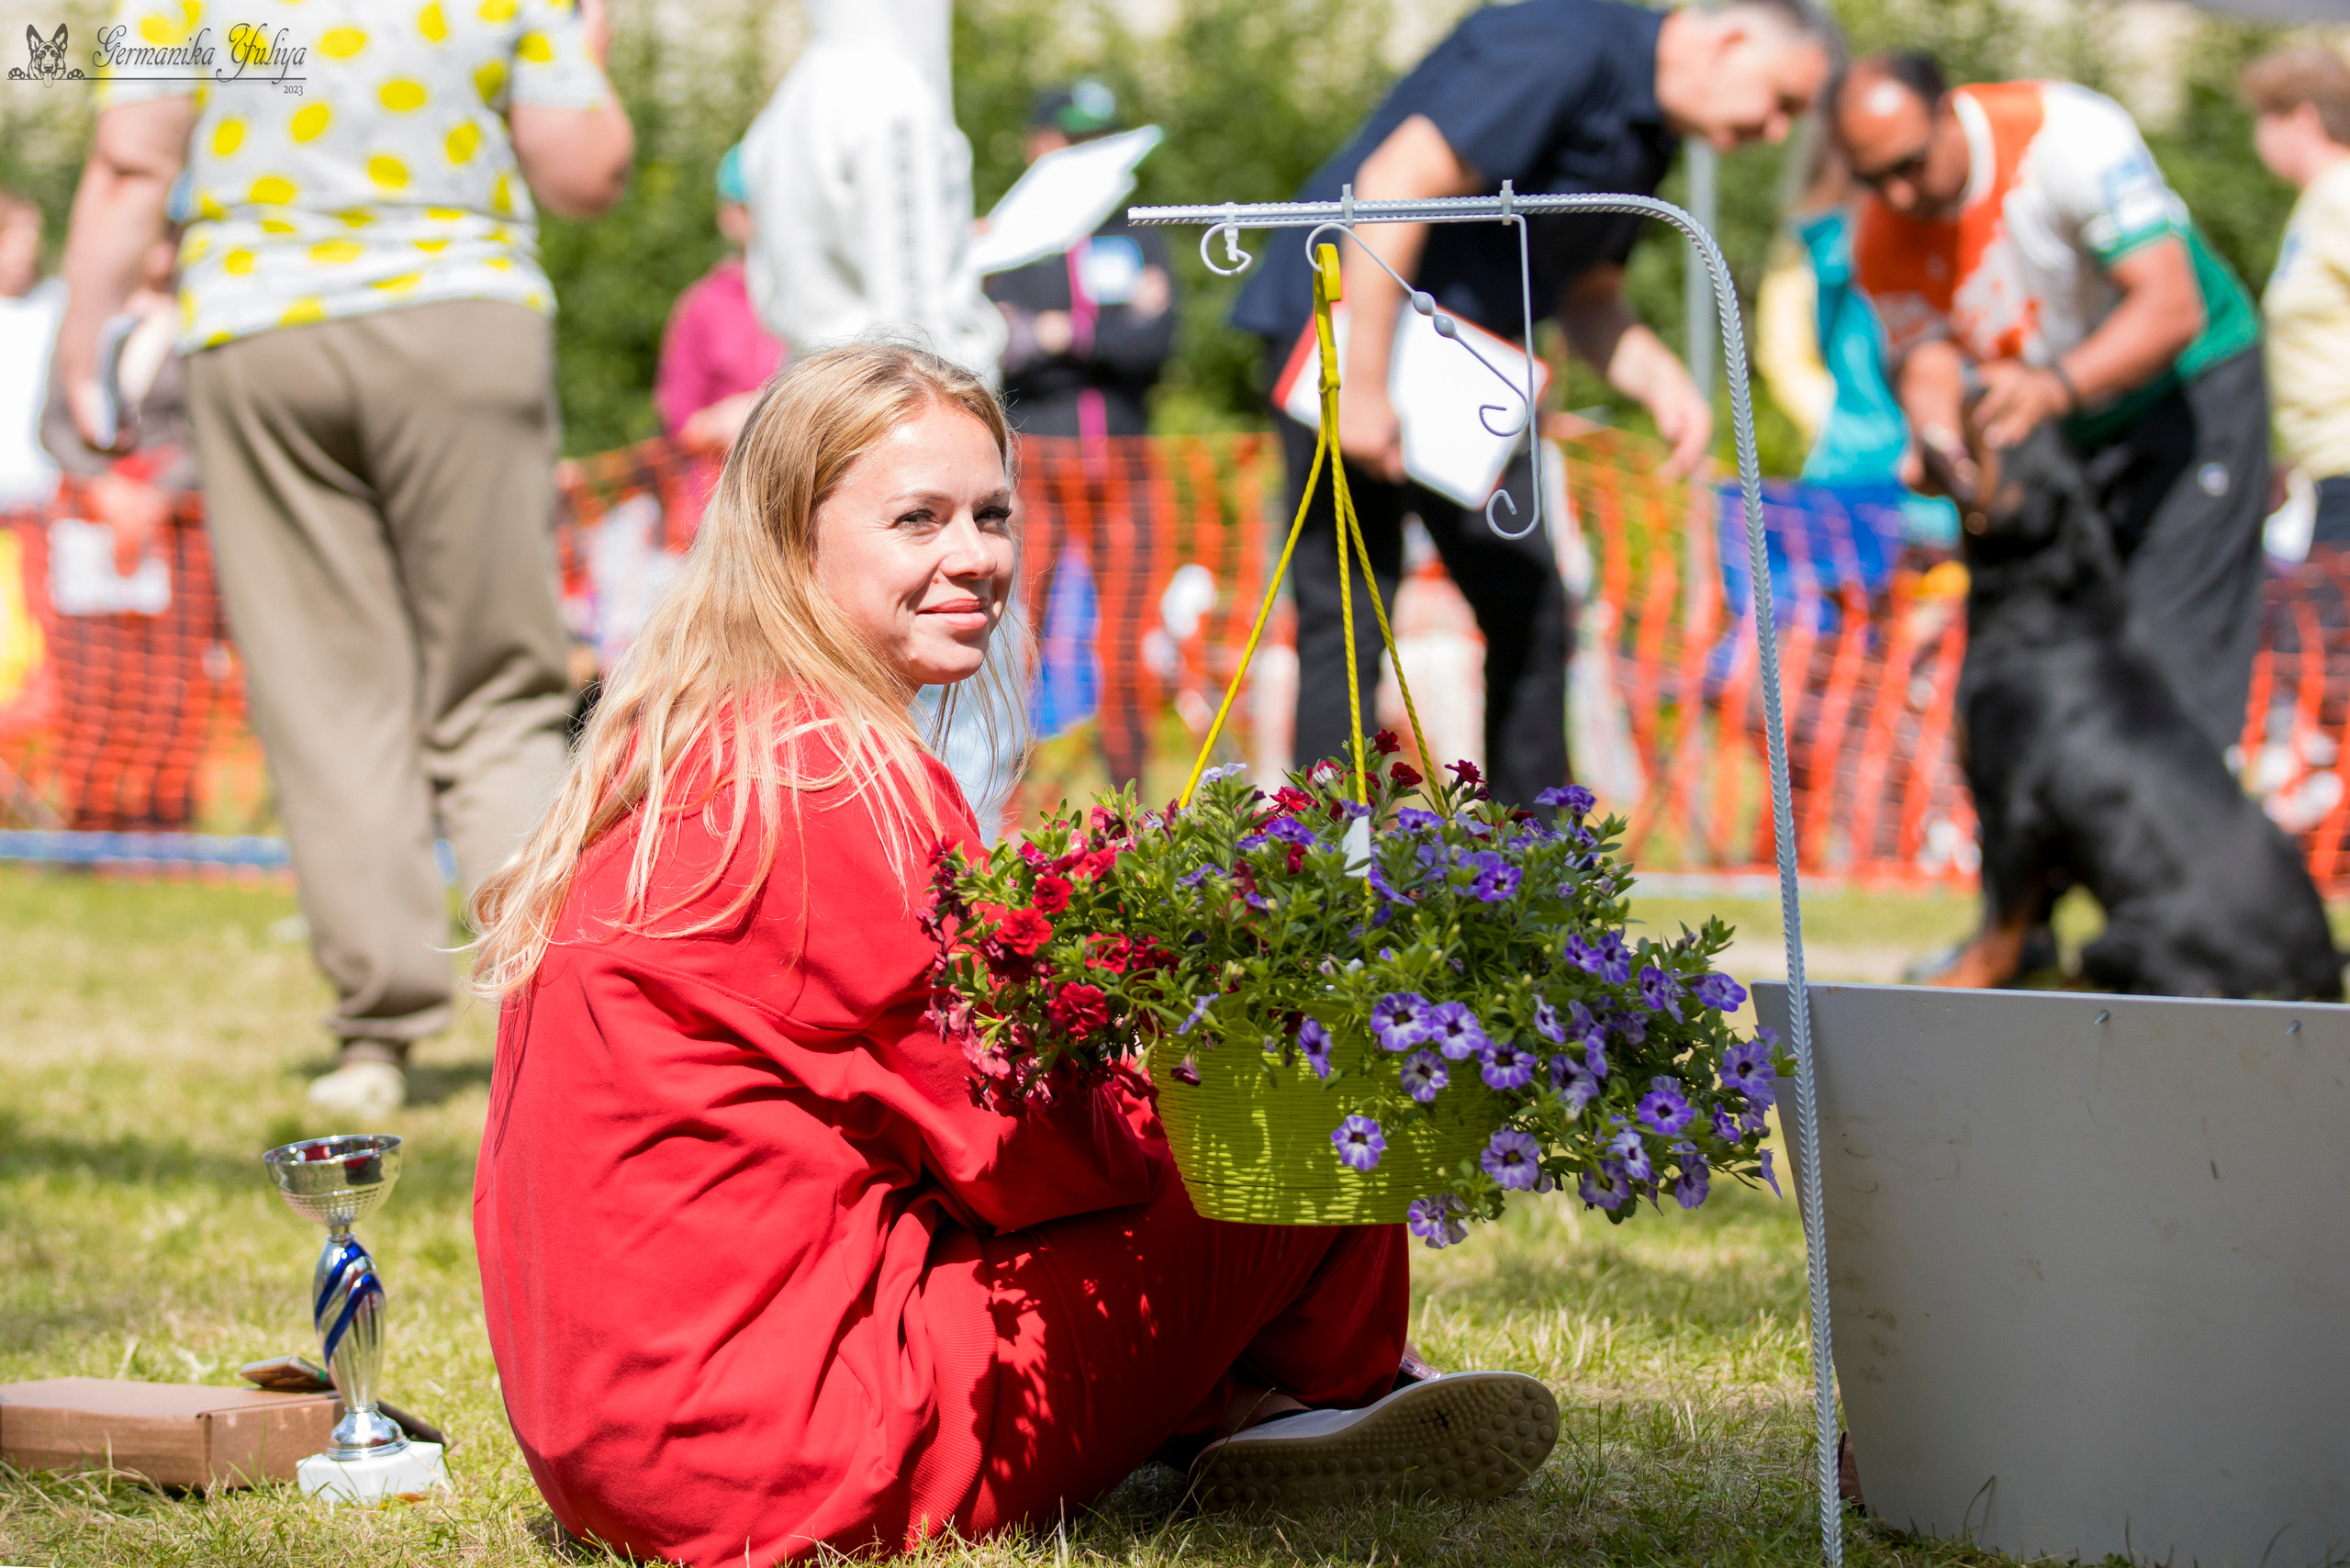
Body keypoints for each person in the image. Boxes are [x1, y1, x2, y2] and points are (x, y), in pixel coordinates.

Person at [466, 342, 1553, 1566]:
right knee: (1308, 1102)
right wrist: (1198, 1065)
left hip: (609, 1449)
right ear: (790, 541)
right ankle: (1316, 1399)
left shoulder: (683, 759)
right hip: (795, 1455)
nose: (976, 555)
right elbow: (1026, 1154)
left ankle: (1250, 1402)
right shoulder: (839, 785)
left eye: (992, 514)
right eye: (916, 519)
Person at [56, 0, 633, 1115]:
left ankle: (380, 1034)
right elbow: (585, 173)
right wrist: (586, 45)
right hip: (465, 315)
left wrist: (83, 340)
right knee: (500, 688)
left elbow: (132, 161)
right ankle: (556, 1009)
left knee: (325, 693)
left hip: (261, 323)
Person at [1232, 0, 1841, 808]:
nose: (1774, 132)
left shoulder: (1649, 131)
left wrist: (1659, 379)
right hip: (1354, 327)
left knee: (1531, 608)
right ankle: (1323, 870)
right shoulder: (1563, 47)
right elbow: (1395, 184)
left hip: (1467, 375)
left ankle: (1524, 877)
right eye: (1782, 103)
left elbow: (1588, 291)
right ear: (1729, 42)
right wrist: (1366, 385)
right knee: (1346, 608)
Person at [1836, 51, 2268, 762]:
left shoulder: (2066, 136)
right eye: (1873, 178)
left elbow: (2170, 306)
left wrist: (2051, 388)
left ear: (1948, 112)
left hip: (2189, 386)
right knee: (2066, 654)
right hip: (2068, 419)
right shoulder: (1880, 230)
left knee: (2171, 657)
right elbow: (1924, 356)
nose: (1900, 194)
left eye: (1909, 166)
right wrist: (1939, 436)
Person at [739, 0, 1021, 835]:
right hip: (904, 419)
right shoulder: (892, 93)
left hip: (816, 410)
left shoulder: (792, 100)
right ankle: (952, 911)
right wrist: (977, 359)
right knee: (952, 700)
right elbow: (917, 312)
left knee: (830, 686)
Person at [985, 79, 1177, 790]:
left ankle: (1133, 810)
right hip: (1034, 472)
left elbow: (1156, 342)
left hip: (1126, 467)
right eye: (1071, 139)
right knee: (1011, 640)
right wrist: (1103, 329)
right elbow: (1000, 345)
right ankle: (998, 801)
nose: (1085, 154)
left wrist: (1062, 335)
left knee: (1125, 649)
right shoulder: (1009, 238)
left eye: (1098, 140)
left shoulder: (1136, 231)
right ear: (1040, 145)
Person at [2244, 48, 2350, 550]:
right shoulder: (2319, 203)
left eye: (2264, 118)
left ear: (2302, 118)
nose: (2257, 138)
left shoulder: (2341, 195)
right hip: (2327, 467)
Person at [654, 142, 786, 507]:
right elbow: (680, 428)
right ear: (729, 216)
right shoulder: (705, 306)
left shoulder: (824, 297)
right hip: (724, 503)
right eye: (749, 208)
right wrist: (723, 422)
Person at [0, 189, 63, 509]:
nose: (25, 253)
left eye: (31, 241)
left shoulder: (52, 306)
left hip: (38, 488)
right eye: (15, 241)